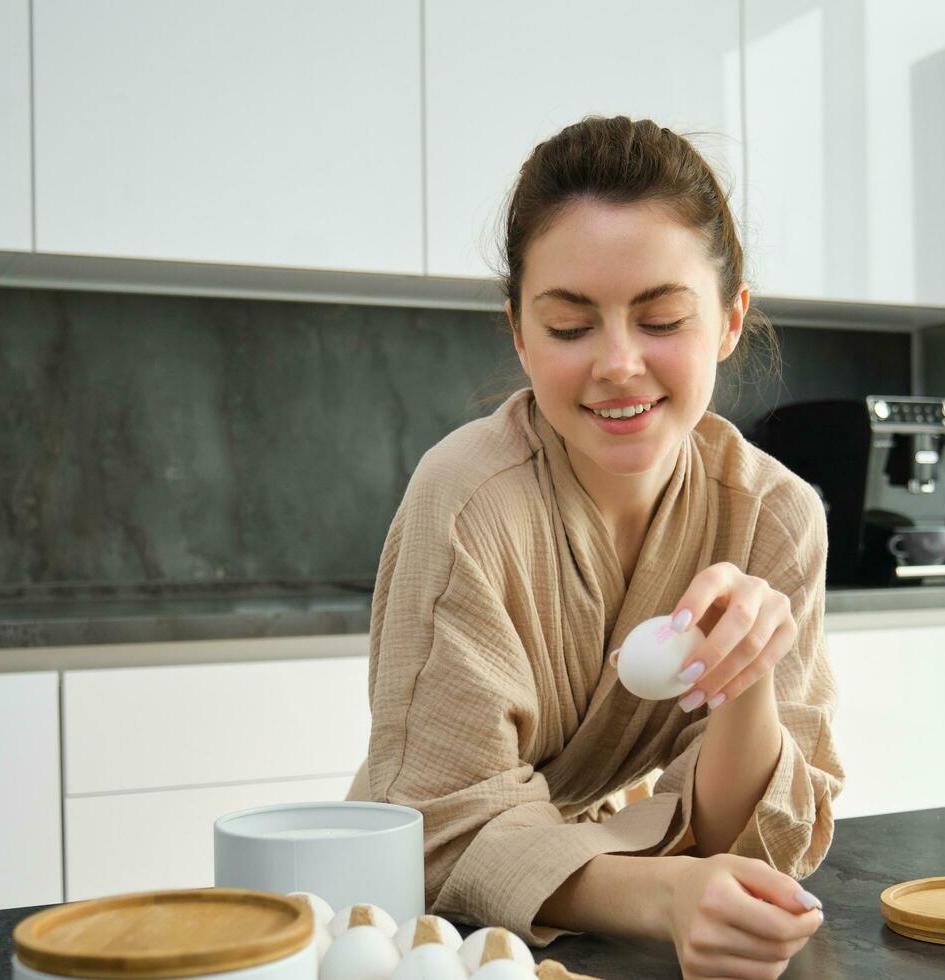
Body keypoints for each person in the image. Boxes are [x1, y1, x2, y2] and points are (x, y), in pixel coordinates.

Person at [346, 115, 844, 980]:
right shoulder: (465, 501)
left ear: (729, 321)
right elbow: (438, 824)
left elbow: (746, 842)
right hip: (441, 941)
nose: (618, 364)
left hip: (598, 927)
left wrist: (746, 680)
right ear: (519, 332)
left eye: (661, 320)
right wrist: (662, 898)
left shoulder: (775, 517)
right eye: (571, 328)